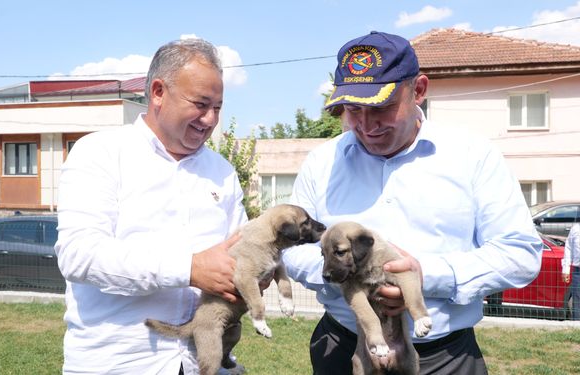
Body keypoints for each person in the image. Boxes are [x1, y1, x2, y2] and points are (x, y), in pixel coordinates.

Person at [282, 31, 543, 374]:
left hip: (443, 358)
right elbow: (290, 249)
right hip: (346, 348)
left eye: (382, 108)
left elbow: (520, 253)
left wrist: (428, 276)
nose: (365, 125)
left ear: (419, 90)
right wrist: (346, 273)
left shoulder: (472, 156)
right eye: (352, 109)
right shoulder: (322, 162)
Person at [54, 38, 248, 374]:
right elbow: (79, 255)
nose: (211, 119)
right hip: (119, 363)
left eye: (218, 107)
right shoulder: (99, 153)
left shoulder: (222, 173)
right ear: (158, 92)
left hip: (202, 363)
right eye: (201, 104)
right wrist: (189, 269)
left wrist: (252, 272)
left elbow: (239, 250)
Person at [562, 223, 580, 320]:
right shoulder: (576, 228)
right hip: (578, 271)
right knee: (577, 303)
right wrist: (566, 269)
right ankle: (577, 328)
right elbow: (568, 249)